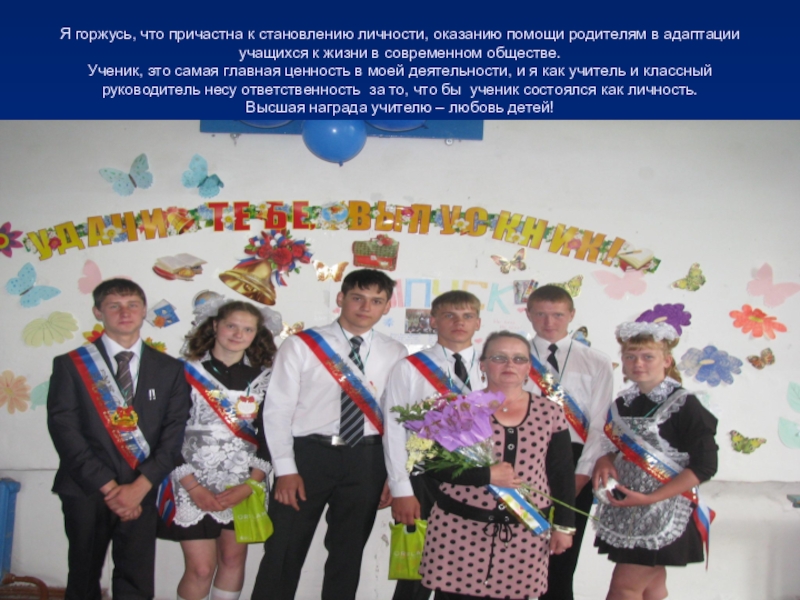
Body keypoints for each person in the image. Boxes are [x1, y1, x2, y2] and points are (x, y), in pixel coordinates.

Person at [252, 269, 408, 600]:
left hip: (366, 458)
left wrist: (392, 476)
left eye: (376, 301)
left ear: (386, 307)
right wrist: (285, 469)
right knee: (283, 550)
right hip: (308, 457)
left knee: (347, 555)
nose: (365, 307)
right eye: (358, 298)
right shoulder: (301, 345)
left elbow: (395, 417)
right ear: (341, 298)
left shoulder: (395, 351)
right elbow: (277, 410)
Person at [47, 278, 191, 600]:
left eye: (132, 305)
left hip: (143, 487)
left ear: (144, 311)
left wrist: (139, 487)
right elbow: (65, 431)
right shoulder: (71, 365)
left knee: (136, 579)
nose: (124, 313)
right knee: (83, 576)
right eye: (114, 305)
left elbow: (174, 434)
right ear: (98, 312)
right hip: (86, 488)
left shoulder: (169, 368)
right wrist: (111, 489)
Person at [420, 331, 576, 600]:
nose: (509, 365)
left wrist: (564, 526)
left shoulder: (550, 412)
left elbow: (561, 473)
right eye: (499, 358)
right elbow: (432, 465)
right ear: (482, 365)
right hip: (458, 531)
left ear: (529, 367)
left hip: (525, 533)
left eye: (519, 359)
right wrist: (485, 475)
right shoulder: (459, 408)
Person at [159, 299, 279, 600]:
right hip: (190, 482)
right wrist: (192, 486)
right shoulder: (182, 372)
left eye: (247, 329)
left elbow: (271, 436)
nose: (238, 334)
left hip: (242, 484)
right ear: (215, 325)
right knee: (201, 569)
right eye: (231, 326)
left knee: (233, 559)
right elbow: (167, 435)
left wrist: (251, 484)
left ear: (256, 334)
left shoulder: (265, 378)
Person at [592, 321, 718, 600]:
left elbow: (705, 465)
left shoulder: (685, 405)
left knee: (624, 589)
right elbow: (614, 446)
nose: (638, 363)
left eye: (648, 356)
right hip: (630, 511)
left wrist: (651, 498)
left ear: (667, 360)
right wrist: (605, 459)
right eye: (630, 356)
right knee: (652, 589)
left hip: (664, 509)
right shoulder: (623, 404)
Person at [383, 290, 484, 600]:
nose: (459, 322)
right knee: (416, 574)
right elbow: (394, 430)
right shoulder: (410, 367)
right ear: (433, 321)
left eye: (467, 316)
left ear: (478, 323)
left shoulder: (493, 366)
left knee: (464, 574)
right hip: (424, 479)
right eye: (449, 315)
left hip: (479, 481)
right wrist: (401, 489)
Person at [525, 284, 614, 600]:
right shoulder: (514, 356)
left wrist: (582, 473)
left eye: (558, 315)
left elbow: (601, 423)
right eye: (541, 314)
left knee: (561, 560)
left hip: (576, 461)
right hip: (523, 459)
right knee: (517, 554)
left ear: (572, 315)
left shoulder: (596, 361)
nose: (549, 322)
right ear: (528, 314)